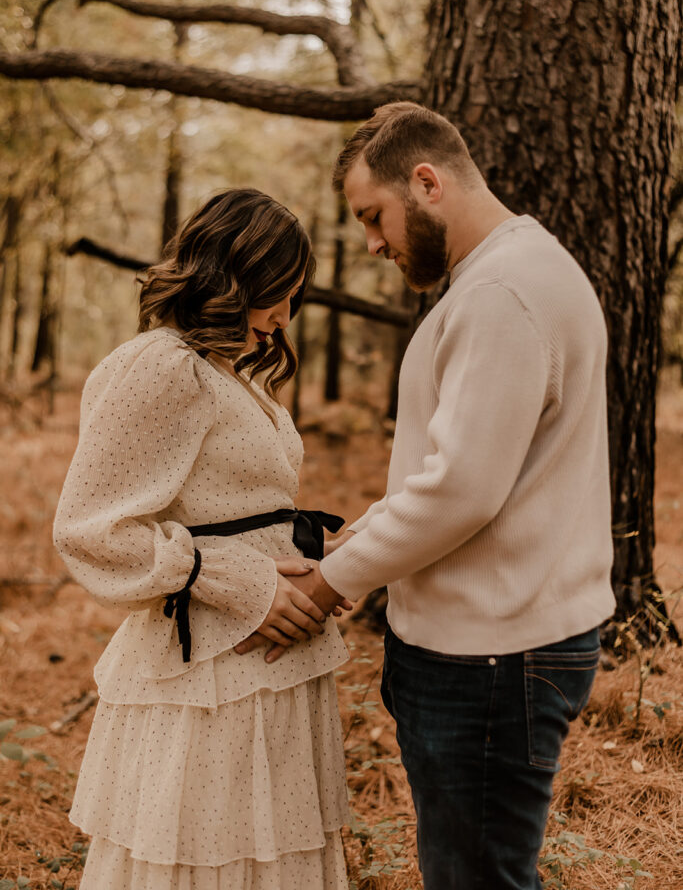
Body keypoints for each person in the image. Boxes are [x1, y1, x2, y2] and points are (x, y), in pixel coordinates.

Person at [247, 102, 616, 889]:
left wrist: (325, 584)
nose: (373, 243)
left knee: (474, 879)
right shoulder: (514, 273)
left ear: (426, 181)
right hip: (492, 641)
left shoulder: (500, 295)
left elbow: (462, 491)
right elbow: (462, 469)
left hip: (490, 654)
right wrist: (358, 543)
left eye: (372, 217)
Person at [53, 188, 352, 890]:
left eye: (292, 298)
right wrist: (237, 582)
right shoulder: (163, 364)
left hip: (267, 668)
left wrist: (326, 564)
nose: (281, 319)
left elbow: (239, 508)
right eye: (273, 294)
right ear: (230, 276)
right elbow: (92, 529)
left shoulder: (230, 373)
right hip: (208, 673)